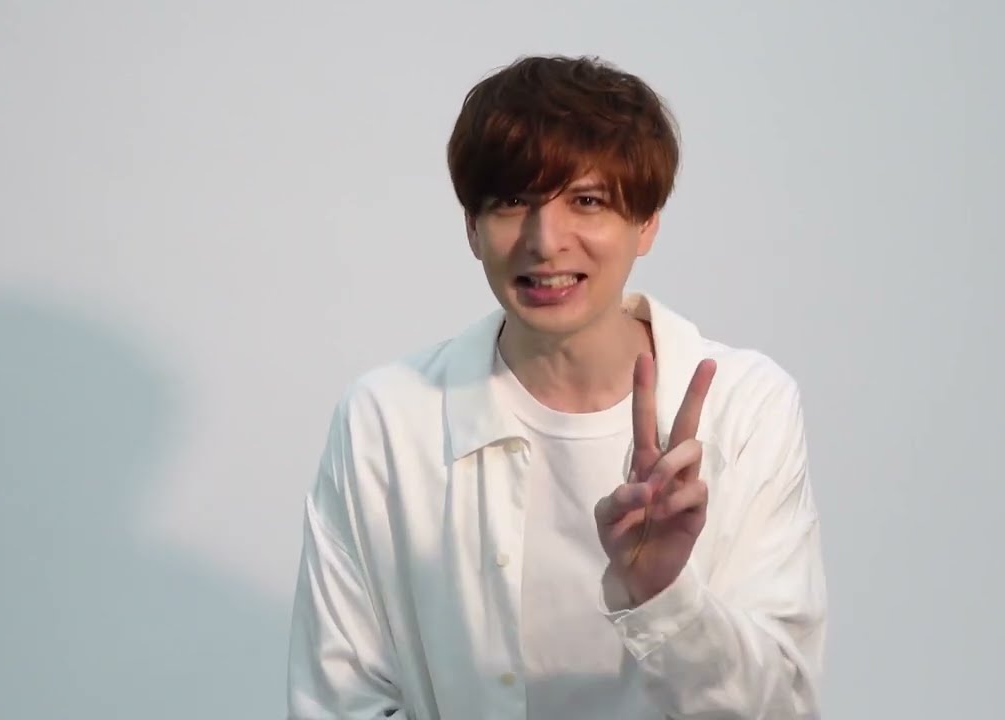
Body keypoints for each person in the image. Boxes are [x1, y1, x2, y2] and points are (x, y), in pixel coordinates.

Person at [286, 54, 827, 719]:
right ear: (471, 228)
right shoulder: (387, 419)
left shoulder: (746, 406)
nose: (545, 242)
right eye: (512, 202)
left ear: (647, 222)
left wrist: (664, 597)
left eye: (587, 201)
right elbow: (340, 702)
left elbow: (784, 706)